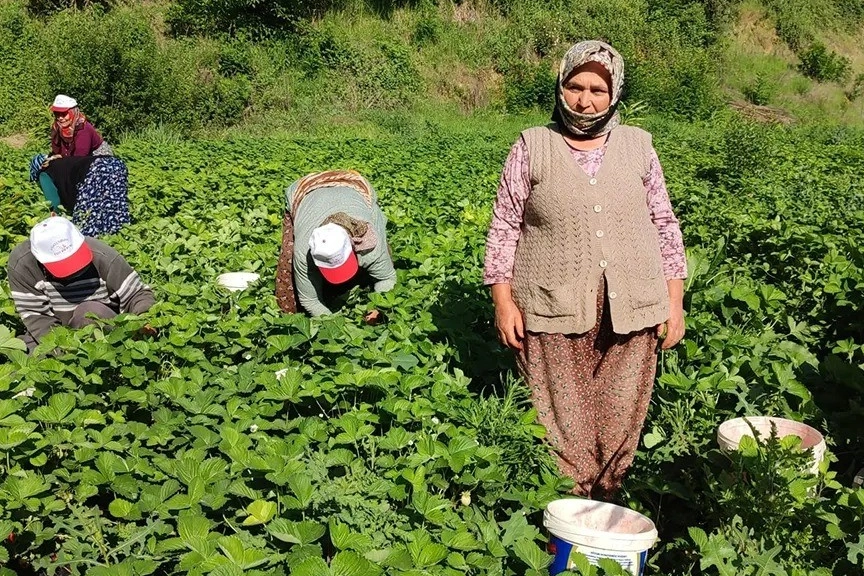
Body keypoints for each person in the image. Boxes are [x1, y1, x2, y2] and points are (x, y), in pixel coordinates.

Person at [483, 40, 687, 500]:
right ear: (561, 86)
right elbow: (504, 226)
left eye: (597, 88)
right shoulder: (532, 145)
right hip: (550, 307)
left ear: (613, 94)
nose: (585, 98)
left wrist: (674, 302)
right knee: (562, 420)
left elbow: (664, 223)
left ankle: (608, 506)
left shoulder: (639, 145)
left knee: (620, 416)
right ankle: (569, 514)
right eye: (575, 86)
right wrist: (502, 301)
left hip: (634, 306)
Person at [8, 216, 155, 353]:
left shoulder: (104, 257)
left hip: (104, 328)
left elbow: (137, 294)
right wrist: (65, 354)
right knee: (23, 353)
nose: (73, 271)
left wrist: (144, 318)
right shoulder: (23, 265)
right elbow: (37, 318)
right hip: (56, 332)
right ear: (40, 261)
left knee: (89, 311)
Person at [275, 170, 396, 319]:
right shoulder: (303, 251)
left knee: (384, 256)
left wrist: (377, 308)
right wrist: (333, 322)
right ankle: (288, 318)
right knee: (287, 267)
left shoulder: (370, 244)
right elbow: (309, 300)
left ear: (353, 247)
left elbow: (387, 278)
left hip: (355, 188)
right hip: (303, 192)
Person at [28, 154, 130, 237]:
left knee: (86, 218)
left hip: (95, 169)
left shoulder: (43, 173)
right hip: (114, 163)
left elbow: (53, 202)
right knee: (115, 204)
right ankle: (119, 232)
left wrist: (53, 217)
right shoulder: (63, 162)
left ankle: (98, 240)